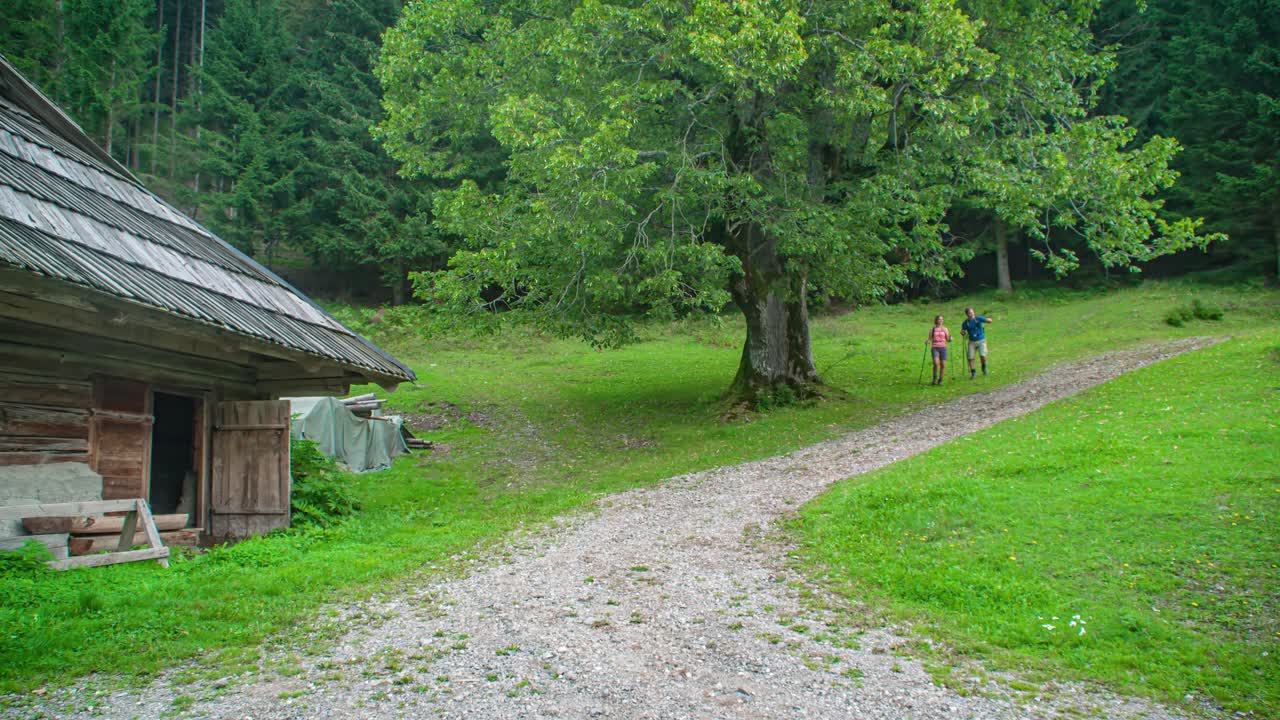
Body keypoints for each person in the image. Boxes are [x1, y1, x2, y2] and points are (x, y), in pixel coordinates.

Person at [960, 307, 994, 379]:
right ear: (967, 314)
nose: (972, 313)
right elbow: (962, 330)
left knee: (983, 355)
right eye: (970, 313)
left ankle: (984, 367)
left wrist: (989, 320)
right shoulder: (965, 323)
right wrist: (962, 332)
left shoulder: (978, 318)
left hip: (981, 340)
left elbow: (988, 320)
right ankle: (973, 372)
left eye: (972, 312)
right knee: (970, 357)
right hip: (972, 342)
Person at [928, 314, 951, 385]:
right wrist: (928, 341)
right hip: (935, 347)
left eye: (941, 319)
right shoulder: (932, 329)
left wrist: (950, 339)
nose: (940, 321)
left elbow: (947, 339)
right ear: (936, 320)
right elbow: (930, 339)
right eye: (939, 319)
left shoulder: (945, 329)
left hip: (943, 347)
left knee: (943, 365)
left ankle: (940, 380)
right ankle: (935, 378)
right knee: (935, 363)